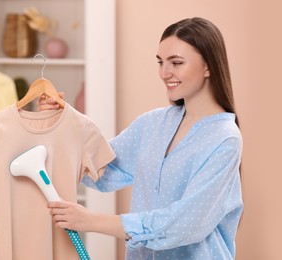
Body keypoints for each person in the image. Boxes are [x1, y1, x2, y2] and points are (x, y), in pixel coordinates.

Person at [40, 17, 243, 259]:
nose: (165, 73)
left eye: (176, 62)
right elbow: (101, 170)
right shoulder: (152, 124)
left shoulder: (225, 139)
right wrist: (59, 123)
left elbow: (185, 224)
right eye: (161, 62)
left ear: (208, 66)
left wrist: (91, 221)